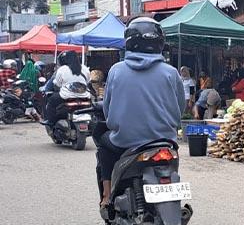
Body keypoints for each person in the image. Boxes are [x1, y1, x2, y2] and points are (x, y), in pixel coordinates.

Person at [97, 17, 184, 208]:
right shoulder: (171, 73)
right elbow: (180, 109)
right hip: (165, 142)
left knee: (104, 148)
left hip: (125, 142)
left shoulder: (116, 71)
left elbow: (107, 108)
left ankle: (106, 196)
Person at [43, 51, 91, 125]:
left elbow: (58, 84)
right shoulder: (84, 68)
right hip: (84, 96)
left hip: (66, 96)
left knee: (51, 100)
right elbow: (87, 81)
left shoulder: (62, 69)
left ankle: (51, 121)